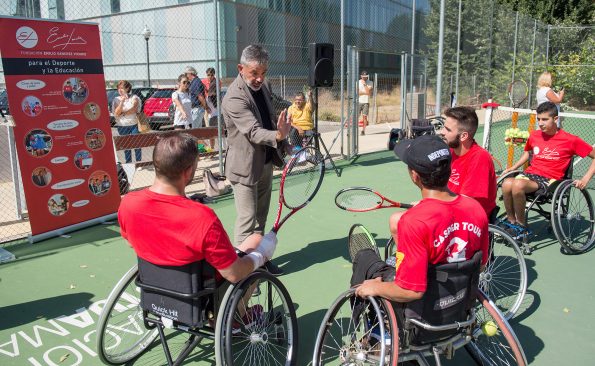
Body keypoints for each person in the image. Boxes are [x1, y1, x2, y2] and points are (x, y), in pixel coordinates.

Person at [118, 133, 279, 287]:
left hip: (155, 289)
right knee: (256, 240)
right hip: (201, 296)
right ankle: (242, 313)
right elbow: (234, 274)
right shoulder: (201, 217)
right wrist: (261, 255)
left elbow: (131, 242)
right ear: (188, 172)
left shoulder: (128, 203)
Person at [353, 135, 489, 304]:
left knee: (365, 258)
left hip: (426, 309)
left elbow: (410, 291)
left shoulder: (414, 222)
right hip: (459, 301)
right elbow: (481, 265)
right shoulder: (476, 208)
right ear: (449, 169)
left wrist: (375, 287)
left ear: (414, 175)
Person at [222, 44, 291, 275]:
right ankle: (242, 272)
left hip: (265, 163)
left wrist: (283, 140)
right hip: (243, 169)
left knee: (260, 218)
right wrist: (278, 135)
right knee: (247, 221)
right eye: (254, 73)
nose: (260, 78)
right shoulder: (233, 97)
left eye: (263, 73)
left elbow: (269, 119)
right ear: (241, 68)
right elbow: (252, 132)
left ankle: (259, 259)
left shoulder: (265, 86)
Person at [500, 101, 595, 239]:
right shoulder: (534, 135)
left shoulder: (571, 140)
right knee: (507, 183)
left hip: (551, 181)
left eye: (545, 119)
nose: (540, 123)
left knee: (517, 184)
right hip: (530, 175)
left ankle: (521, 227)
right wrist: (513, 168)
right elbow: (528, 153)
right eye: (539, 119)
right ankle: (511, 222)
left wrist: (586, 179)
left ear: (555, 119)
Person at [440, 106, 497, 219]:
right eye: (443, 127)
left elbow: (466, 202)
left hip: (468, 219)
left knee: (399, 221)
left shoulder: (480, 158)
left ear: (463, 136)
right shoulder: (450, 152)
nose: (442, 132)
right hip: (449, 210)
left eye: (448, 129)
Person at [112, 80, 142, 163]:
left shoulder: (134, 97)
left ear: (127, 88)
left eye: (122, 88)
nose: (120, 90)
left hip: (134, 124)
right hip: (122, 125)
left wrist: (123, 113)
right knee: (126, 145)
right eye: (118, 88)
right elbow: (117, 113)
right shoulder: (116, 99)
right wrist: (121, 102)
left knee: (137, 144)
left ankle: (138, 162)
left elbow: (134, 109)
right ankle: (128, 162)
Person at [358, 71, 373, 136]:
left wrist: (364, 84)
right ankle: (355, 130)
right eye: (363, 77)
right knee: (356, 116)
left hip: (366, 102)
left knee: (365, 117)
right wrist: (365, 92)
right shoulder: (358, 82)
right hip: (359, 101)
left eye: (366, 77)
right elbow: (358, 93)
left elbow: (368, 92)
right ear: (361, 76)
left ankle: (363, 131)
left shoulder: (370, 82)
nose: (364, 78)